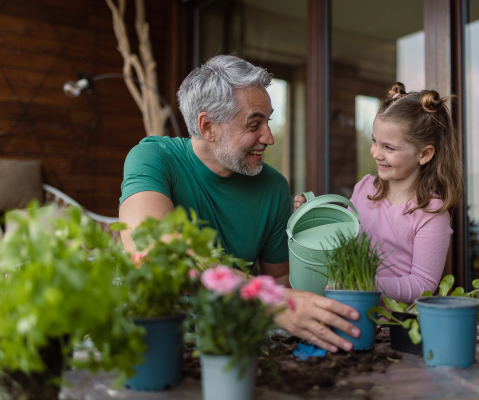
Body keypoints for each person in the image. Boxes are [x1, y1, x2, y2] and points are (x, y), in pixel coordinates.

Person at [119, 55, 360, 352]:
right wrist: (269, 302)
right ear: (208, 126)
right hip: (157, 337)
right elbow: (156, 250)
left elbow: (280, 280)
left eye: (268, 122)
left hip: (233, 340)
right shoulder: (154, 159)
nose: (269, 137)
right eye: (254, 124)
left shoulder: (272, 186)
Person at [294, 82, 464, 303]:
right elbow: (341, 237)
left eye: (389, 147)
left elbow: (423, 286)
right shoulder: (365, 187)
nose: (376, 153)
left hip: (394, 326)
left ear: (424, 154)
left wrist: (364, 282)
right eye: (375, 142)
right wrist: (314, 213)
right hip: (349, 312)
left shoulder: (431, 213)